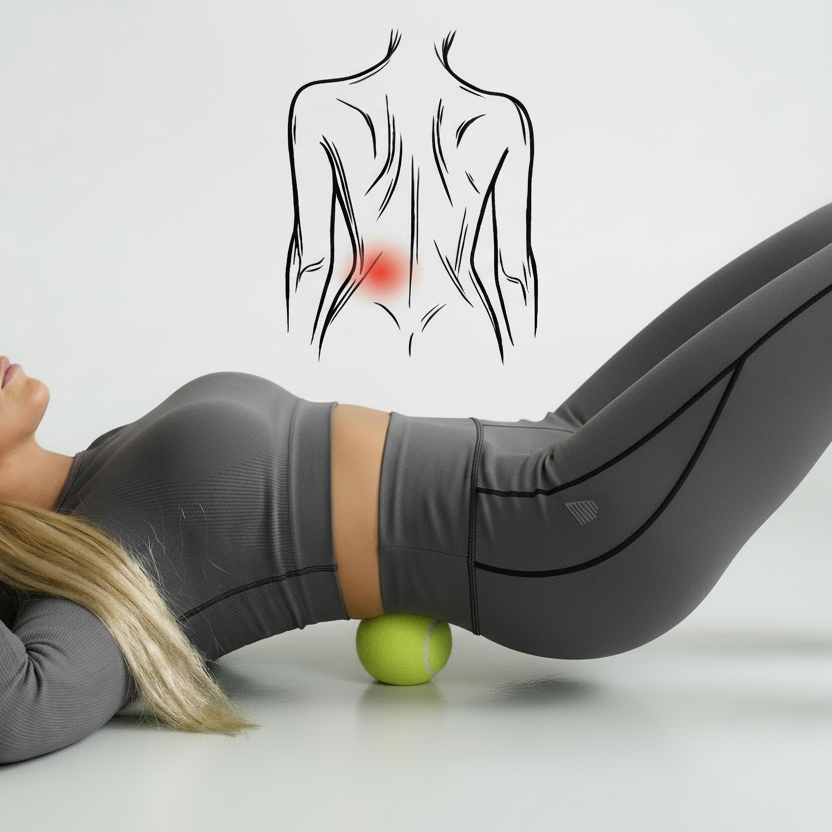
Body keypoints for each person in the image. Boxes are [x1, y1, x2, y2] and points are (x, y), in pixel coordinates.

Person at [2, 200, 832, 764]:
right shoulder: (94, 581)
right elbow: (24, 706)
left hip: (555, 444)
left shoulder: (98, 467)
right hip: (567, 526)